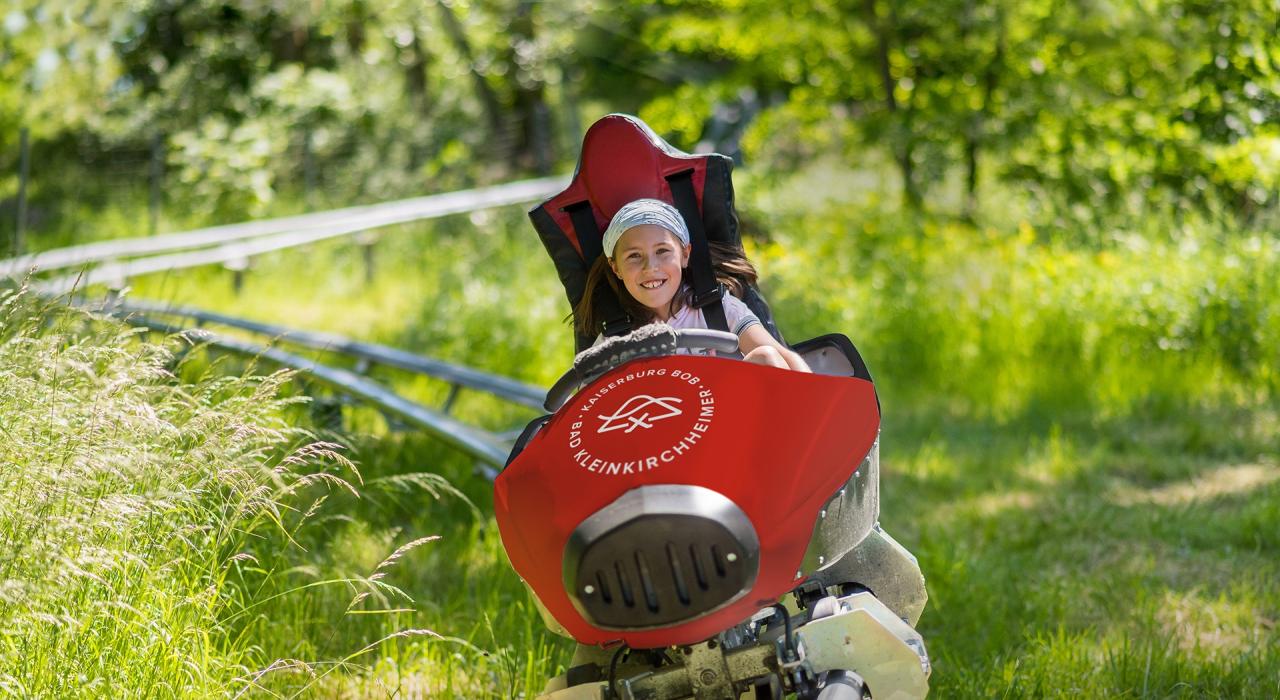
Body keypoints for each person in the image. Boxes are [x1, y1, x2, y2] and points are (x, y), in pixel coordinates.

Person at [573, 198, 810, 372]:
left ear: (685, 255)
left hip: (736, 417)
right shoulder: (615, 340)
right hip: (669, 430)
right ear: (616, 268)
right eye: (634, 256)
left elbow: (783, 358)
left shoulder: (717, 309)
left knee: (767, 356)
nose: (650, 267)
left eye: (662, 251)